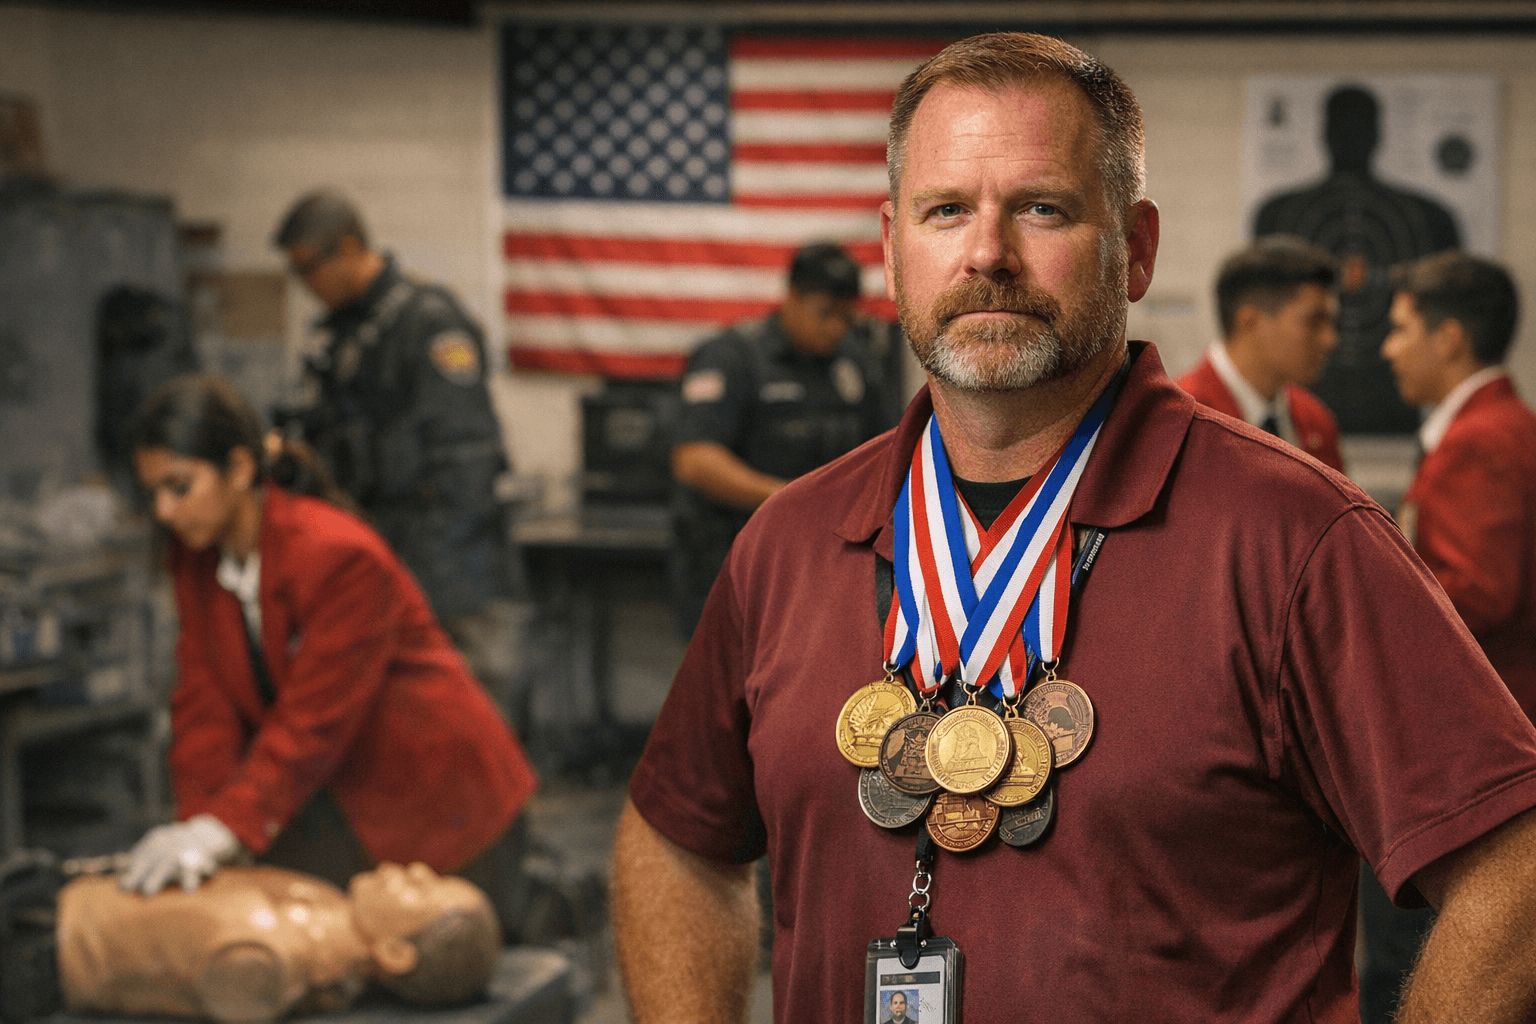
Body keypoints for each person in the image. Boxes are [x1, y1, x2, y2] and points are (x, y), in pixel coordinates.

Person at [610, 32, 1536, 1024]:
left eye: (1041, 208)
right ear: (890, 249)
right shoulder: (788, 542)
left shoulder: (1297, 540)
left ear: (1134, 248)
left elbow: (1514, 867)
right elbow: (675, 841)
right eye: (945, 212)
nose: (986, 255)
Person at [123, 374, 536, 943]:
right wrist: (197, 826)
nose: (165, 510)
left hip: (443, 807)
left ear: (240, 470)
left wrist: (225, 826)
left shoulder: (337, 555)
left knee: (454, 977)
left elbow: (313, 723)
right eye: (153, 493)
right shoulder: (195, 561)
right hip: (344, 801)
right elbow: (203, 705)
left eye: (179, 486)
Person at [1359, 251, 1536, 1024]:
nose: (1388, 348)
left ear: (1451, 338)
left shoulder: (1481, 439)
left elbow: (1478, 593)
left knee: (1413, 955)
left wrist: (1370, 592)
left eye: (1401, 330)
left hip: (1469, 757)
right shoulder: (1495, 425)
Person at [271, 191, 524, 716]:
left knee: (470, 715)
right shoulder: (347, 334)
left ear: (347, 247)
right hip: (384, 545)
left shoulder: (427, 323)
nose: (306, 287)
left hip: (449, 564)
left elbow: (468, 459)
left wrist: (430, 569)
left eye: (308, 269)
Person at [670, 242, 898, 634]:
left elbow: (887, 450)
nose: (836, 328)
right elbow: (695, 460)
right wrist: (791, 500)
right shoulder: (732, 357)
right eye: (824, 313)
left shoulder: (853, 362)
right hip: (735, 563)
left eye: (846, 316)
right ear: (791, 296)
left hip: (824, 567)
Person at [1253, 84, 1462, 434]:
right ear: (1325, 133)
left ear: (1377, 133)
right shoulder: (1276, 214)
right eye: (1341, 128)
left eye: (1359, 128)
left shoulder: (1431, 218)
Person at [58, 862, 498, 1021]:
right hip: (69, 898)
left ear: (395, 953)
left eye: (423, 889)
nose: (418, 868)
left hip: (50, 944)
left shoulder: (269, 961)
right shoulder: (323, 902)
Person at [1176, 236, 1344, 471]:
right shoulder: (1177, 418)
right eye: (1313, 321)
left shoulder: (1315, 420)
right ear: (1251, 322)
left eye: (1330, 323)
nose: (1330, 340)